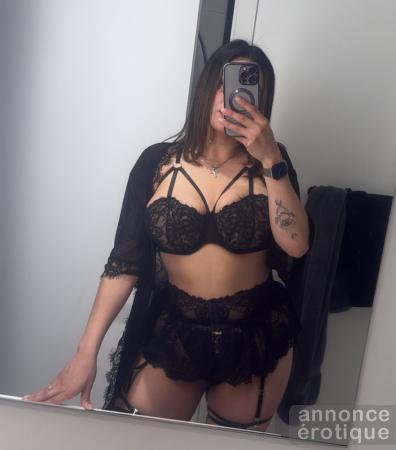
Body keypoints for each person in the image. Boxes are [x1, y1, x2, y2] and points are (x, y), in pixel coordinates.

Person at [23, 39, 309, 432]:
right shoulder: (155, 163)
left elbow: (296, 244)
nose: (233, 98)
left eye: (248, 88)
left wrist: (271, 158)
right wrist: (84, 353)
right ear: (207, 87)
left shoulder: (273, 163)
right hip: (175, 333)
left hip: (255, 336)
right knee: (134, 437)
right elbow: (124, 263)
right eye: (224, 84)